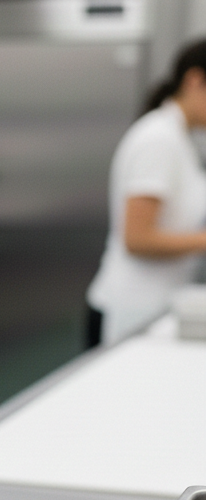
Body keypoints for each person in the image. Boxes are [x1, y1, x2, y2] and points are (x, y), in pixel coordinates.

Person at [87, 39, 206, 346]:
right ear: (195, 81)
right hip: (132, 311)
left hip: (157, 307)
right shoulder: (159, 139)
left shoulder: (183, 140)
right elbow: (137, 238)